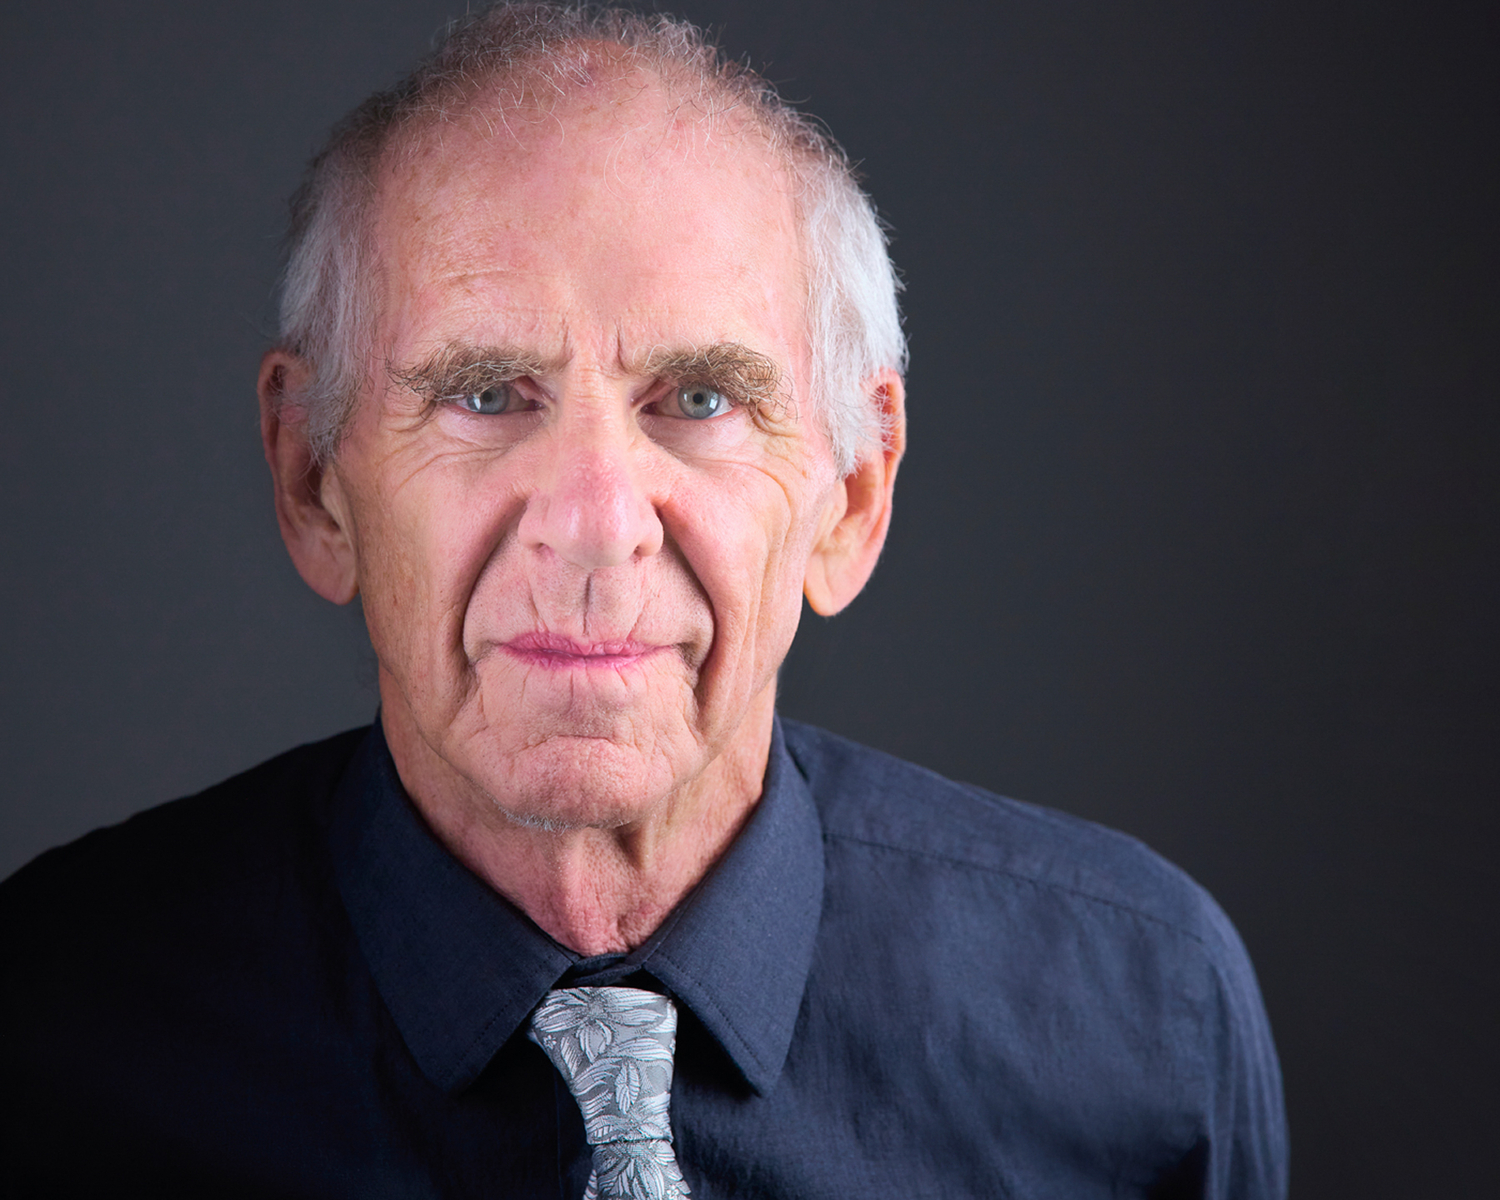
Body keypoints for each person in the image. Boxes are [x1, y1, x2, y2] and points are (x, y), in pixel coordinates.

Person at [0, 4, 1287, 1197]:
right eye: (487, 395)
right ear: (312, 483)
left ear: (851, 498)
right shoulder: (47, 1032)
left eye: (701, 400)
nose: (596, 523)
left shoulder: (1146, 1015)